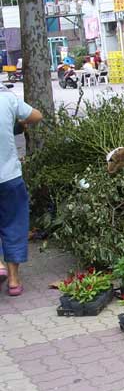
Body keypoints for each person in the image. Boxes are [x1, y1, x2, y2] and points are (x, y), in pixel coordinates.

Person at [0, 84, 43, 296]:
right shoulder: (7, 99)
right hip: (9, 177)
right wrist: (17, 122)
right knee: (14, 224)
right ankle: (14, 281)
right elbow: (36, 115)